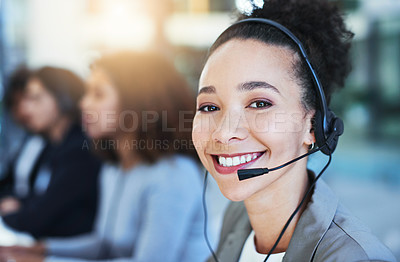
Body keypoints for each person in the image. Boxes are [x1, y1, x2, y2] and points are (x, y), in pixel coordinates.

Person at [192, 0, 396, 261]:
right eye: (209, 107)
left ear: (314, 127)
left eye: (259, 103)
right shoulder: (238, 218)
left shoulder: (353, 257)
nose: (223, 133)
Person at [0, 51, 209, 262]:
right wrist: (40, 249)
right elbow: (104, 246)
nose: (84, 104)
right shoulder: (113, 169)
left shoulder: (173, 175)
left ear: (137, 101)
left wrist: (45, 261)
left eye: (98, 94)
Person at [0, 66, 101, 240]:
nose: (25, 108)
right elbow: (36, 198)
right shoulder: (51, 145)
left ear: (63, 98)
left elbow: (40, 216)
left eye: (35, 98)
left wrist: (9, 213)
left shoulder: (79, 149)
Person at [0, 66, 46, 203]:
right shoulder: (30, 138)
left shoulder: (61, 144)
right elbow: (11, 181)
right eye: (14, 105)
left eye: (34, 99)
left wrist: (19, 206)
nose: (23, 110)